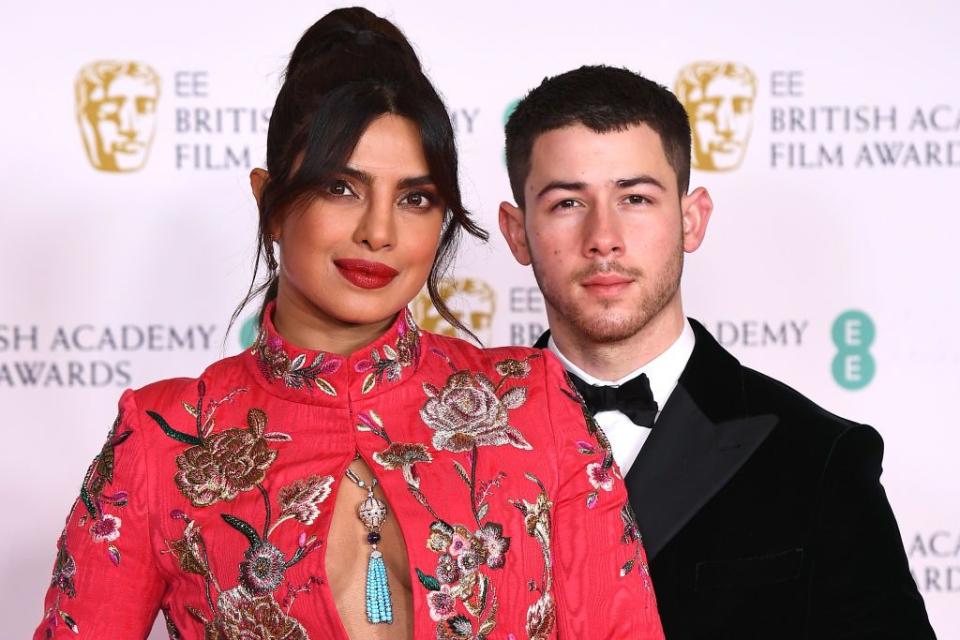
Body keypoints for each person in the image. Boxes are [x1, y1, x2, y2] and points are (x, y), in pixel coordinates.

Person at [35, 11, 664, 640]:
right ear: (270, 203)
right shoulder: (162, 441)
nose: (379, 231)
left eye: (416, 199)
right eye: (341, 188)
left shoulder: (533, 402)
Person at [498, 65, 934, 639]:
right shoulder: (452, 446)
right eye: (567, 204)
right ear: (516, 232)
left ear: (691, 218)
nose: (603, 237)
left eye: (635, 198)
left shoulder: (820, 459)